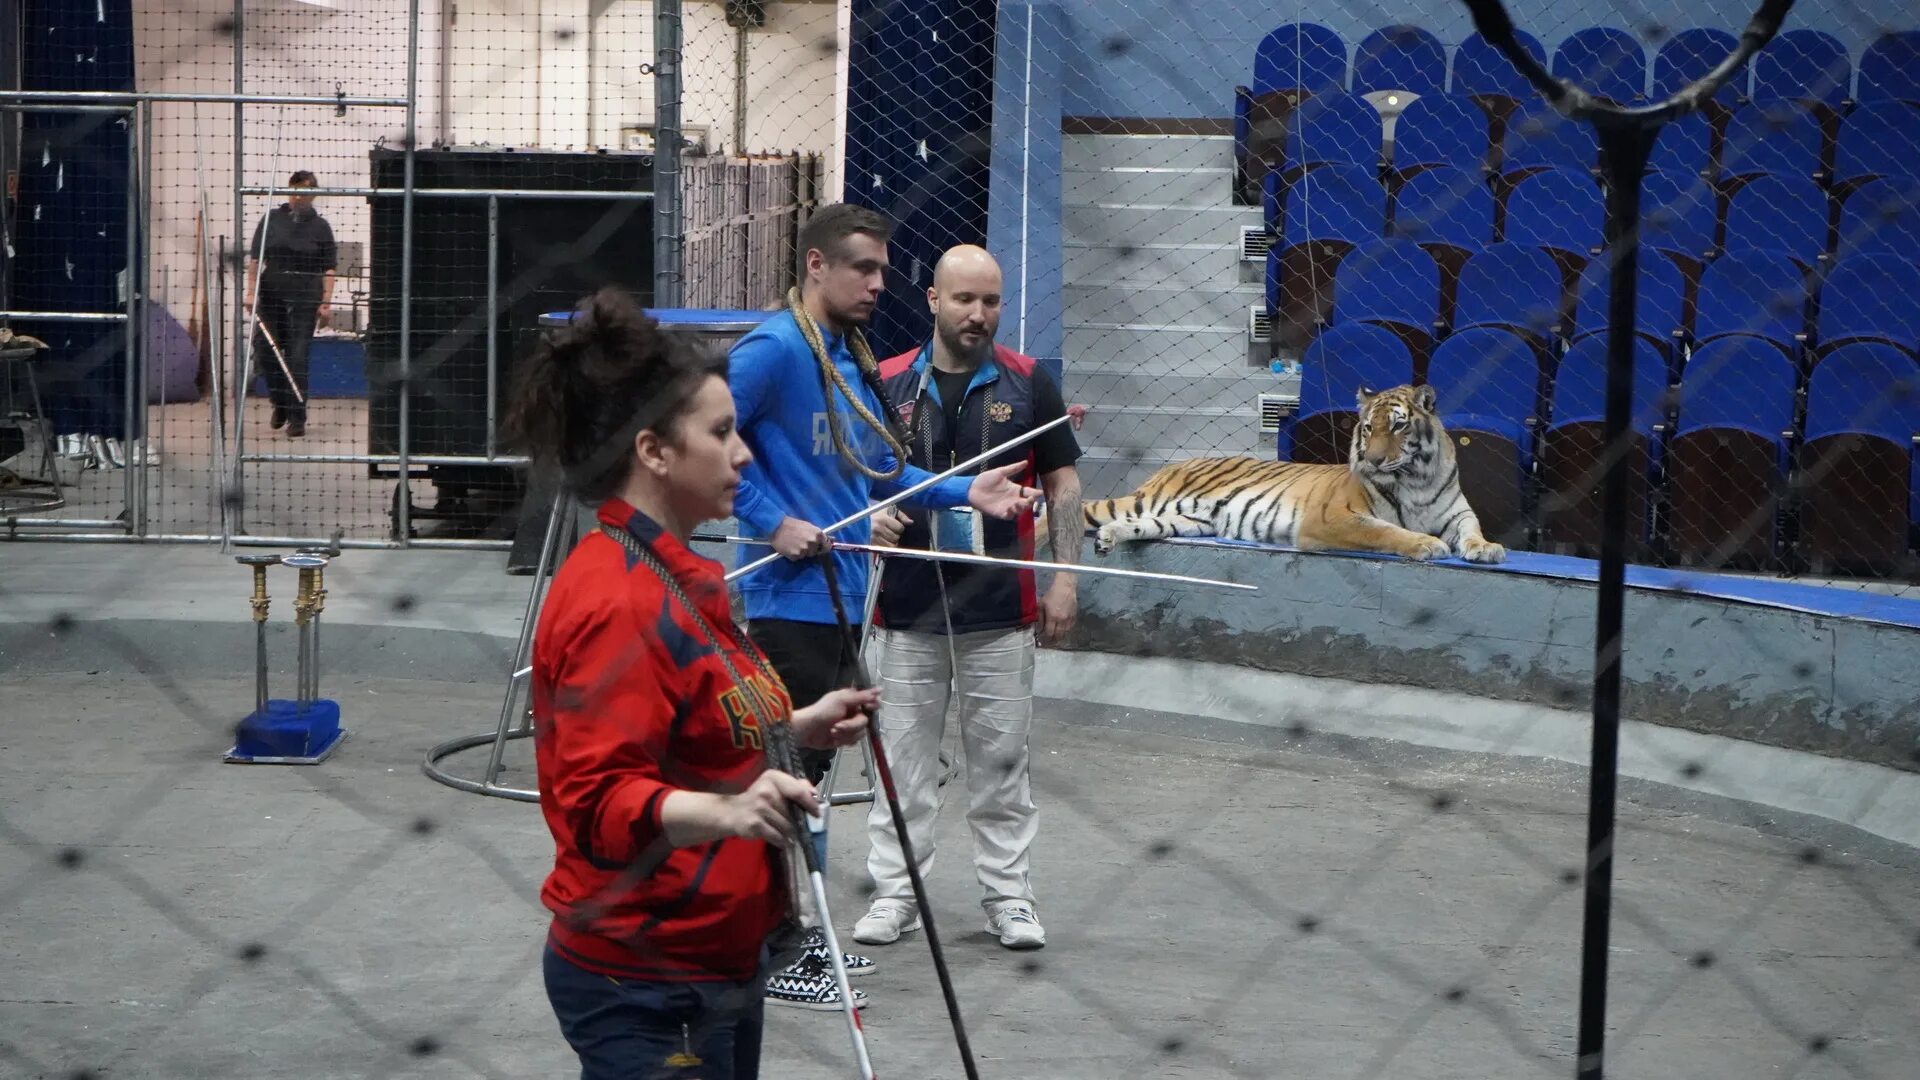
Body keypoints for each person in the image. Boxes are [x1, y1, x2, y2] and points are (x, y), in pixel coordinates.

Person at [509, 287, 880, 1080]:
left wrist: (799, 725)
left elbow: (691, 723)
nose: (743, 454)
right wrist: (731, 811)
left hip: (712, 960)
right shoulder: (619, 599)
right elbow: (595, 804)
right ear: (654, 452)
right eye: (721, 433)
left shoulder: (676, 574)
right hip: (647, 977)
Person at [726, 203, 1038, 1007]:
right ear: (816, 266)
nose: (877, 284)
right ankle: (772, 944)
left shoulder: (846, 355)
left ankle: (794, 936)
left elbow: (880, 471)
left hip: (838, 595)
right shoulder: (775, 349)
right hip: (781, 595)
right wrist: (772, 519)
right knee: (789, 776)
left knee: (812, 775)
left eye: (883, 270)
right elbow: (696, 434)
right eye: (862, 268)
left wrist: (972, 487)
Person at [853, 245, 1083, 952]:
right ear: (932, 300)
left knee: (1002, 768)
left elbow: (1063, 486)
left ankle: (1009, 899)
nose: (978, 314)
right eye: (964, 300)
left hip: (999, 614)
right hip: (905, 610)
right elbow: (855, 476)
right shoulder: (882, 382)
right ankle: (897, 895)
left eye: (990, 302)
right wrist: (871, 515)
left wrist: (1065, 578)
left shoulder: (1030, 381)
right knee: (903, 768)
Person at [244, 170, 337, 438]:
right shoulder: (271, 220)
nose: (299, 197)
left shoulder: (321, 227)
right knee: (265, 351)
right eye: (296, 190)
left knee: (297, 358)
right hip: (272, 295)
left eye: (306, 192)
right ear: (289, 191)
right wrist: (251, 293)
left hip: (305, 297)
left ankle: (297, 417)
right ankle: (280, 403)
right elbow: (254, 262)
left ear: (314, 195)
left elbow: (329, 267)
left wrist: (325, 303)